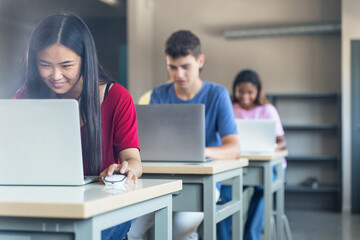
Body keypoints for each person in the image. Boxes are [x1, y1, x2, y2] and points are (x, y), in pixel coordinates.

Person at [14, 12, 142, 240]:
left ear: (85, 60)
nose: (55, 75)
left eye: (66, 65)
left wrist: (124, 170)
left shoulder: (117, 98)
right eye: (45, 65)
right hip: (45, 208)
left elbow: (133, 160)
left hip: (105, 210)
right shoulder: (26, 98)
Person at [128, 30, 240, 240]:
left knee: (178, 231)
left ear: (200, 61)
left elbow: (234, 149)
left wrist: (199, 151)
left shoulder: (218, 94)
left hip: (200, 184)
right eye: (172, 67)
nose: (178, 74)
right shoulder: (159, 94)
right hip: (158, 182)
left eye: (185, 67)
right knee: (130, 232)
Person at [217, 69, 286, 240]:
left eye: (250, 92)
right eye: (240, 91)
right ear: (234, 90)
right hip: (238, 163)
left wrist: (271, 148)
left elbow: (282, 142)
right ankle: (224, 237)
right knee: (223, 194)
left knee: (263, 189)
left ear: (258, 91)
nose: (245, 96)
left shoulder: (267, 109)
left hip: (267, 166)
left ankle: (250, 236)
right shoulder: (230, 108)